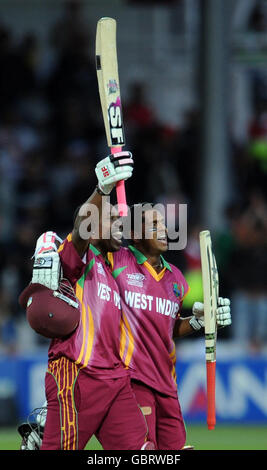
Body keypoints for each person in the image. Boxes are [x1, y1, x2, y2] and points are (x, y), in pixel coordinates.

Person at [18, 151, 153, 450]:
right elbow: (81, 228)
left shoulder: (115, 269)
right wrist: (102, 188)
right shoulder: (77, 257)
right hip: (77, 374)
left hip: (116, 379)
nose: (121, 224)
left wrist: (199, 319)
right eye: (113, 219)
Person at [106, 203, 232, 449]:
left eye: (163, 223)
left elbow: (169, 326)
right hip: (133, 379)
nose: (163, 229)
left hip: (167, 383)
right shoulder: (117, 260)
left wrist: (199, 322)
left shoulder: (177, 277)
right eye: (153, 224)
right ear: (135, 234)